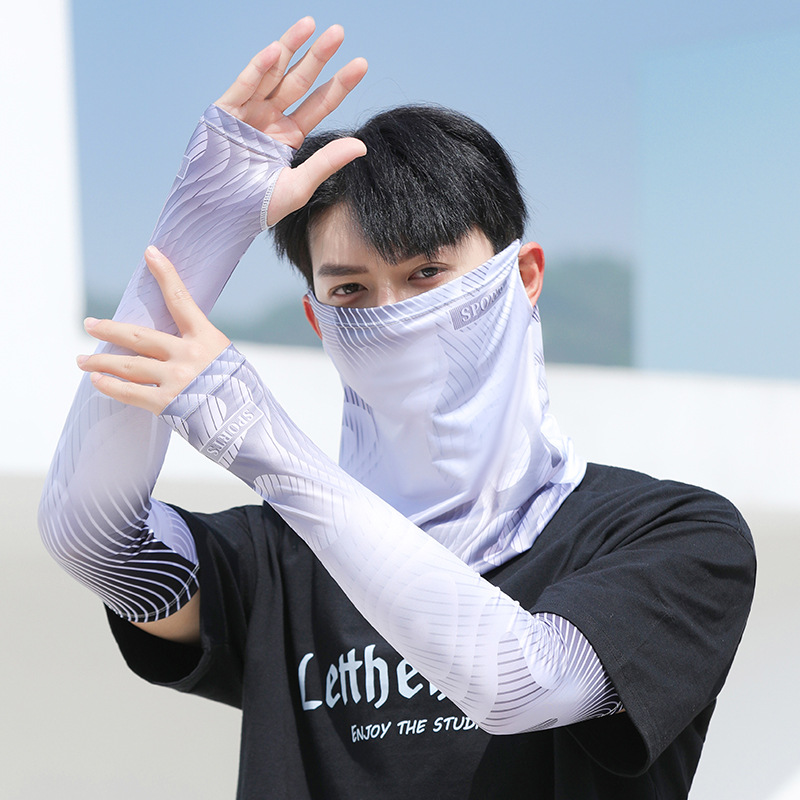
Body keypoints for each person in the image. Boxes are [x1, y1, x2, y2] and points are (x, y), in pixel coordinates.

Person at [39, 17, 755, 799]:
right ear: (318, 320)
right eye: (350, 290)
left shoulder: (677, 535)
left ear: (523, 277)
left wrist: (263, 442)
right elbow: (91, 536)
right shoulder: (279, 555)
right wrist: (200, 228)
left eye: (426, 274)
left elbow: (523, 682)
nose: (393, 313)